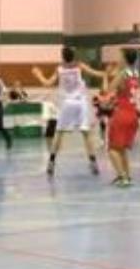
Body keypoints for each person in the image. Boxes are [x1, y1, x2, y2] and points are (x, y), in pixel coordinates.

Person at [33, 47, 103, 177]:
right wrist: (109, 72)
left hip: (67, 104)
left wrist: (38, 74)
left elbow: (47, 83)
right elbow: (97, 74)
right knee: (86, 134)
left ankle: (51, 162)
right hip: (80, 103)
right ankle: (93, 162)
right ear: (74, 55)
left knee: (59, 133)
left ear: (63, 56)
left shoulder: (59, 69)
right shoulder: (80, 66)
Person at [105, 50, 140, 188]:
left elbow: (109, 89)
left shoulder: (122, 73)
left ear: (125, 59)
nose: (118, 59)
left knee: (112, 149)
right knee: (122, 149)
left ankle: (122, 177)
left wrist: (107, 74)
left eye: (120, 57)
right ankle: (127, 175)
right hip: (133, 114)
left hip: (122, 113)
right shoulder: (136, 73)